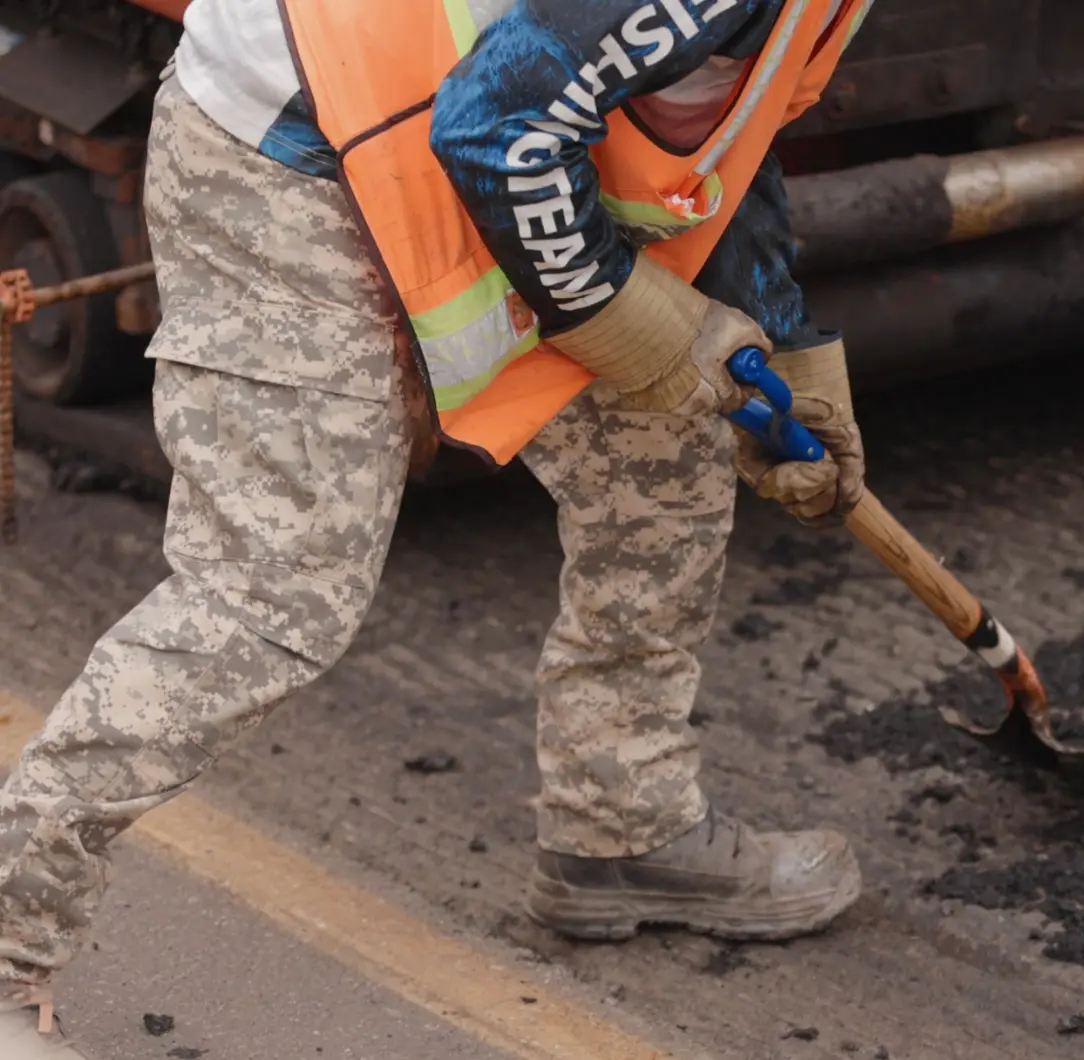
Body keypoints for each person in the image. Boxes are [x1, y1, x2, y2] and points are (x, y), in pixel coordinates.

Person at [0, 0, 873, 1041]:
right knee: (272, 593)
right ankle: (10, 936)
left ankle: (621, 824)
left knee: (661, 455)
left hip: (474, 124)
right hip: (303, 148)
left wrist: (787, 349)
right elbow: (494, 130)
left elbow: (726, 128)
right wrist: (648, 327)